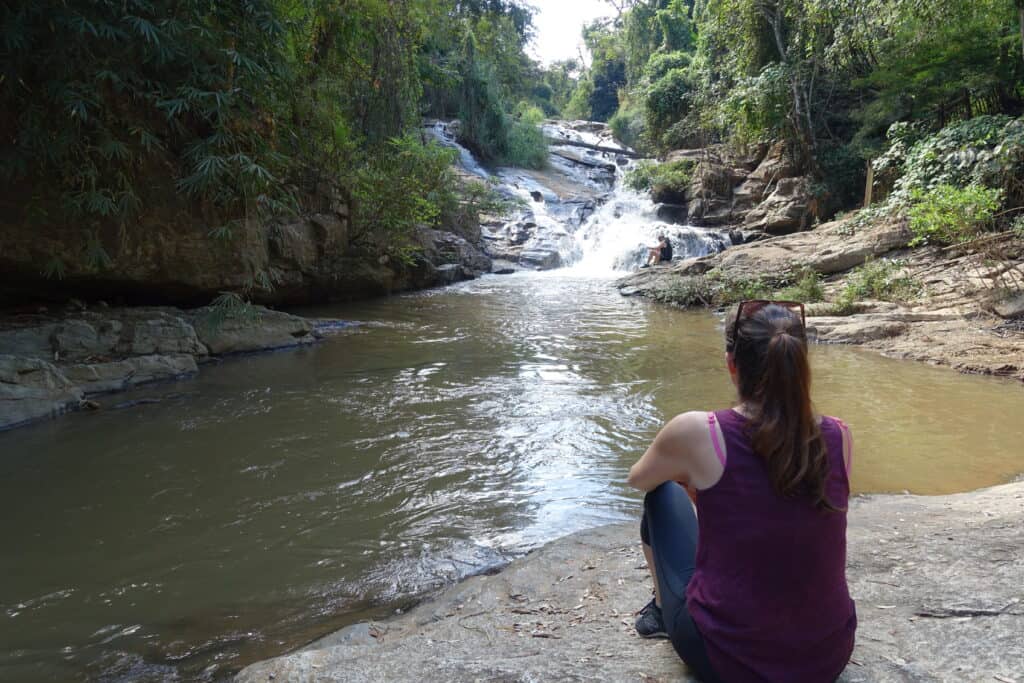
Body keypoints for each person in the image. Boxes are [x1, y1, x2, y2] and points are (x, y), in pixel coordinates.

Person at [627, 300, 856, 682]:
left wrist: (691, 479)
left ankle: (661, 609)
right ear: (801, 364)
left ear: (732, 364)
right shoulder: (840, 435)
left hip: (726, 659)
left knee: (661, 493)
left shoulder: (698, 431)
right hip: (827, 657)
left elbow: (638, 479)